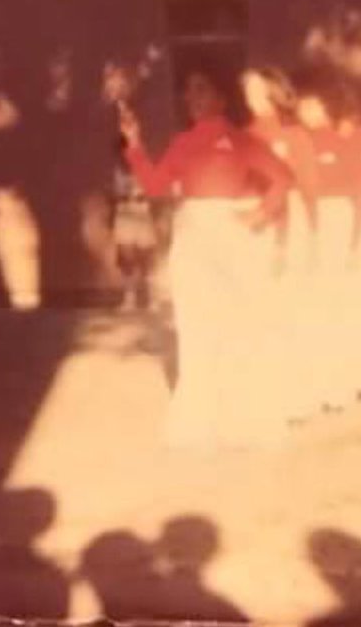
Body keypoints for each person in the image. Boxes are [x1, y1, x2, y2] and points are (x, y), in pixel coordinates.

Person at [119, 70, 294, 450]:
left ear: (222, 99)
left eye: (203, 91)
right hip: (192, 234)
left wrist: (259, 214)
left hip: (230, 234)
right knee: (197, 322)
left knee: (238, 322)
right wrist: (134, 145)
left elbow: (282, 177)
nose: (193, 99)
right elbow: (155, 185)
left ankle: (245, 419)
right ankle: (199, 422)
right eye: (189, 93)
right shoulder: (182, 142)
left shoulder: (241, 140)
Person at [242, 67, 323, 425]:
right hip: (254, 226)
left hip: (289, 228)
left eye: (259, 90)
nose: (251, 97)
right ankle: (263, 394)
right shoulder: (242, 136)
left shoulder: (295, 136)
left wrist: (303, 237)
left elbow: (308, 188)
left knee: (292, 310)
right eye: (246, 90)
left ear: (276, 92)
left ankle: (297, 396)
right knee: (260, 312)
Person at [296, 88, 361, 412]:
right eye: (303, 108)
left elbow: (358, 192)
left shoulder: (342, 143)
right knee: (314, 300)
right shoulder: (301, 144)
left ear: (326, 109)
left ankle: (342, 381)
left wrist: (355, 237)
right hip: (308, 219)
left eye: (314, 106)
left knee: (339, 299)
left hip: (337, 217)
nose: (308, 113)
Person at [111, 137, 159, 312]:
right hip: (124, 217)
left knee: (148, 261)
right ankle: (129, 300)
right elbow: (115, 194)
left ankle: (153, 299)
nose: (125, 155)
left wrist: (143, 196)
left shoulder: (145, 167)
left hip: (142, 216)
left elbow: (154, 191)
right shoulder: (117, 171)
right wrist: (123, 196)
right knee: (127, 261)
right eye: (121, 152)